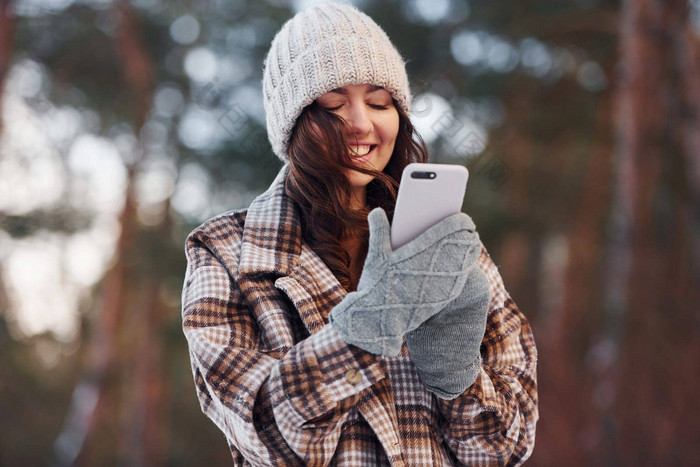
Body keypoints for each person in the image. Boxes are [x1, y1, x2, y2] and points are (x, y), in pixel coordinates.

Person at [181, 2, 538, 465]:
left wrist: (456, 371)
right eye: (333, 102)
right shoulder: (225, 252)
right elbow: (267, 433)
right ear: (294, 121)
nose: (362, 123)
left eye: (379, 102)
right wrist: (367, 327)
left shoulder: (443, 242)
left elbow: (504, 448)